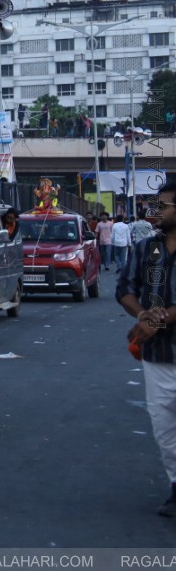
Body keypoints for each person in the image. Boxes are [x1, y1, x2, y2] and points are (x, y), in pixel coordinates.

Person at [118, 179, 176, 516]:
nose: (155, 212)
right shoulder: (146, 248)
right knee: (164, 426)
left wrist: (159, 319)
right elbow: (125, 288)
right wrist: (141, 314)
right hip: (157, 357)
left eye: (162, 206)